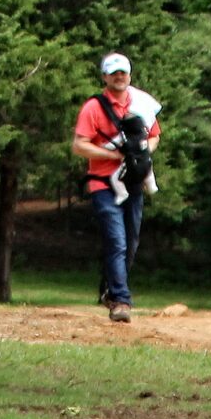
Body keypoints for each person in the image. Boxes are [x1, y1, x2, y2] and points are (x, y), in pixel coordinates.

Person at [71, 52, 161, 323]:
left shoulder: (140, 103)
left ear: (129, 75)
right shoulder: (94, 107)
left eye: (123, 72)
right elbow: (79, 145)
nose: (119, 77)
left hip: (131, 181)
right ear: (105, 77)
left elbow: (154, 135)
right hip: (102, 183)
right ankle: (121, 301)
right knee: (116, 240)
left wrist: (141, 154)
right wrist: (114, 156)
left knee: (130, 242)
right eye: (114, 73)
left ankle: (109, 289)